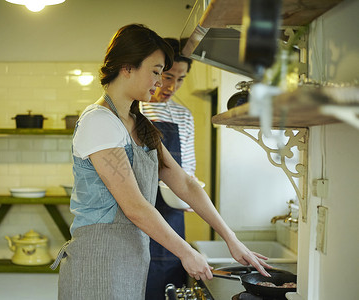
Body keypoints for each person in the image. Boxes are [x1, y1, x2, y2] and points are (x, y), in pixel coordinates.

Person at [51, 24, 271, 300]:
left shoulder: (138, 124)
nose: (160, 81)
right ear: (127, 67)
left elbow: (187, 184)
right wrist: (186, 252)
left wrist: (231, 239)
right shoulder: (99, 122)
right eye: (155, 72)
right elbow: (135, 207)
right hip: (97, 261)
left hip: (129, 260)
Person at [140, 38, 197, 299]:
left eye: (181, 79)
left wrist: (191, 199)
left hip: (171, 210)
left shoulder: (184, 116)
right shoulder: (135, 109)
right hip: (137, 207)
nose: (173, 86)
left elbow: (188, 170)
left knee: (169, 275)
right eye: (168, 76)